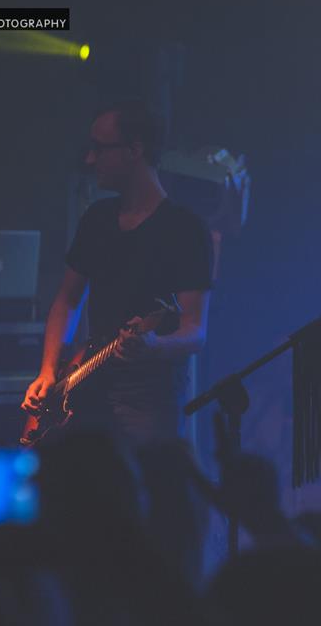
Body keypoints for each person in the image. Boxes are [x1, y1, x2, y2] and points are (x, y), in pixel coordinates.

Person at [22, 99, 213, 446]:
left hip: (147, 399)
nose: (89, 159)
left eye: (99, 148)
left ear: (134, 150)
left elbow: (195, 331)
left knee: (142, 477)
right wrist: (48, 370)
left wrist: (155, 345)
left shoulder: (185, 229)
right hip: (86, 381)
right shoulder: (98, 219)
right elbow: (67, 300)